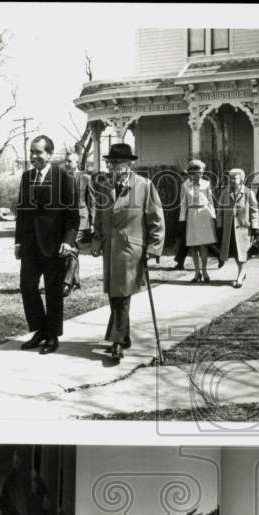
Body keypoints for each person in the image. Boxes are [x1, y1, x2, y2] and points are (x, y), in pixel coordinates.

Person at [91, 142, 165, 364]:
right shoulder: (104, 186)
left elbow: (156, 219)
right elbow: (99, 216)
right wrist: (96, 240)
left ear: (129, 163)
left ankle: (116, 342)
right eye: (111, 163)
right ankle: (123, 336)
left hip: (131, 249)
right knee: (116, 294)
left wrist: (154, 247)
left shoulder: (144, 186)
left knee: (122, 295)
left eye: (118, 163)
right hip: (110, 249)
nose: (114, 167)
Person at [14, 134, 79, 355]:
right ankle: (40, 329)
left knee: (53, 292)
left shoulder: (64, 177)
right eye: (31, 152)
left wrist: (68, 242)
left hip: (54, 246)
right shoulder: (26, 177)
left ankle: (52, 336)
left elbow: (73, 215)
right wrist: (18, 242)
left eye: (38, 152)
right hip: (31, 246)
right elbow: (22, 213)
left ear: (50, 154)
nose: (34, 156)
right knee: (27, 286)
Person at [216, 168, 259, 289]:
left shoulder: (248, 192)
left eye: (235, 178)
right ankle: (242, 272)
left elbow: (254, 210)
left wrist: (255, 226)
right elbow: (220, 209)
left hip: (243, 229)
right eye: (231, 178)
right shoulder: (225, 193)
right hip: (229, 228)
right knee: (235, 252)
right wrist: (219, 224)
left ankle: (240, 275)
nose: (232, 180)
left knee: (242, 252)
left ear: (241, 179)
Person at [177, 160, 217, 283]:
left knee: (203, 245)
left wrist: (213, 216)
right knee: (193, 246)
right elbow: (183, 203)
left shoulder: (206, 184)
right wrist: (182, 219)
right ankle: (196, 272)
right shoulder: (185, 185)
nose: (198, 175)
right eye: (195, 173)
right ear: (190, 173)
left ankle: (204, 271)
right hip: (192, 216)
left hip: (204, 215)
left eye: (200, 172)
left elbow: (210, 201)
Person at [62, 151, 93, 296]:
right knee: (73, 249)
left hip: (81, 218)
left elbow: (92, 201)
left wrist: (93, 222)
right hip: (67, 219)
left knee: (71, 248)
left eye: (70, 161)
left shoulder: (86, 178)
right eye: (66, 161)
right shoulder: (62, 178)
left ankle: (67, 283)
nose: (67, 163)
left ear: (77, 162)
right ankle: (76, 281)